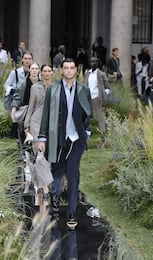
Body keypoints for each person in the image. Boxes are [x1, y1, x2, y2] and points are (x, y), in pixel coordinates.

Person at [38, 58, 92, 230]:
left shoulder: (84, 89)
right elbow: (46, 115)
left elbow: (88, 113)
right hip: (58, 137)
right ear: (61, 71)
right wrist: (42, 137)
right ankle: (54, 196)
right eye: (66, 68)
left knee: (73, 171)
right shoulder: (53, 90)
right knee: (57, 170)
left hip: (77, 139)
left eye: (72, 68)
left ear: (76, 70)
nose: (69, 71)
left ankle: (71, 212)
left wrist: (87, 132)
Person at [23, 64, 54, 214]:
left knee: (47, 159)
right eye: (44, 71)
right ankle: (45, 190)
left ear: (52, 73)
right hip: (36, 124)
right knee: (39, 157)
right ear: (41, 73)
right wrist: (26, 125)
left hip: (50, 127)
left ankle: (43, 185)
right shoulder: (35, 88)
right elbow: (31, 106)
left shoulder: (56, 88)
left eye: (49, 71)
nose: (47, 74)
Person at [12, 62, 40, 194]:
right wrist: (14, 111)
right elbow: (17, 97)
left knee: (38, 152)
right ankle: (28, 184)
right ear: (30, 70)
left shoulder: (41, 84)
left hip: (39, 121)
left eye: (36, 68)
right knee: (27, 153)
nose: (34, 71)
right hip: (26, 121)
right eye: (32, 68)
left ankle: (37, 183)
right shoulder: (24, 83)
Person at [83, 57, 110, 148]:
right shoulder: (87, 73)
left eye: (94, 61)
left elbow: (107, 85)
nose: (92, 63)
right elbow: (84, 84)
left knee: (99, 117)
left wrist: (105, 92)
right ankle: (86, 135)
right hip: (87, 97)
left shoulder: (101, 74)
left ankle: (102, 135)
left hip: (96, 97)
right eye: (91, 61)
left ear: (97, 63)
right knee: (87, 117)